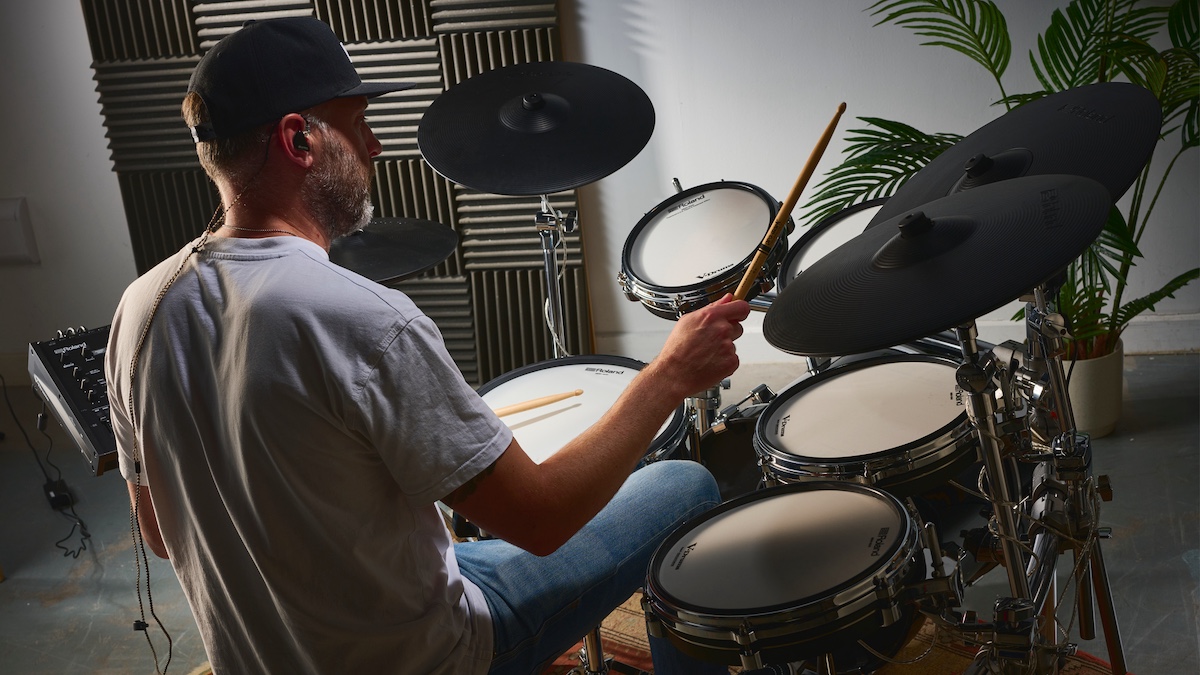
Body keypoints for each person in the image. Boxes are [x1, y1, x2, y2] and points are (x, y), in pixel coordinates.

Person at [105, 17, 749, 675]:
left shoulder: (140, 307)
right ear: (299, 139)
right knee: (684, 483)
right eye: (358, 124)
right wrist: (669, 373)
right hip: (435, 656)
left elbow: (160, 533)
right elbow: (542, 519)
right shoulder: (363, 318)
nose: (376, 145)